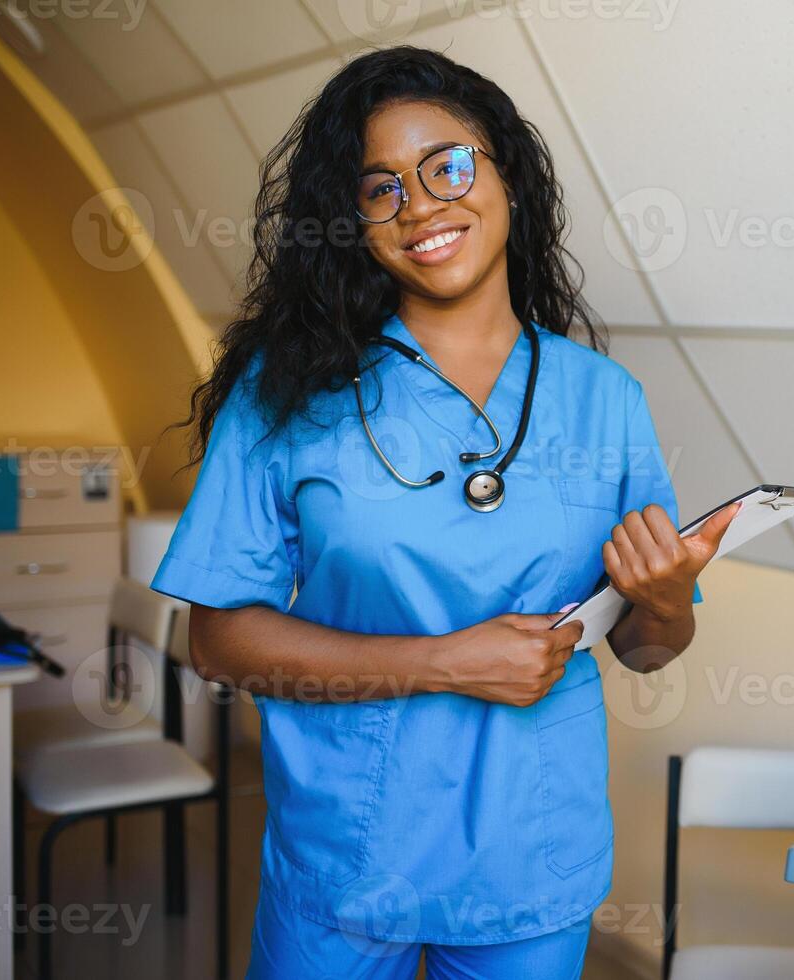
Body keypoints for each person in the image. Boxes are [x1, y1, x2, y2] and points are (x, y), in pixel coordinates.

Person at [153, 45, 735, 979]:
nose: (420, 205)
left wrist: (665, 596)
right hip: (348, 855)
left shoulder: (602, 398)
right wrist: (443, 664)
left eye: (448, 167)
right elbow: (218, 642)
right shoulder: (286, 395)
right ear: (353, 224)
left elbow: (647, 645)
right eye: (380, 189)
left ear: (507, 174)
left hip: (529, 856)